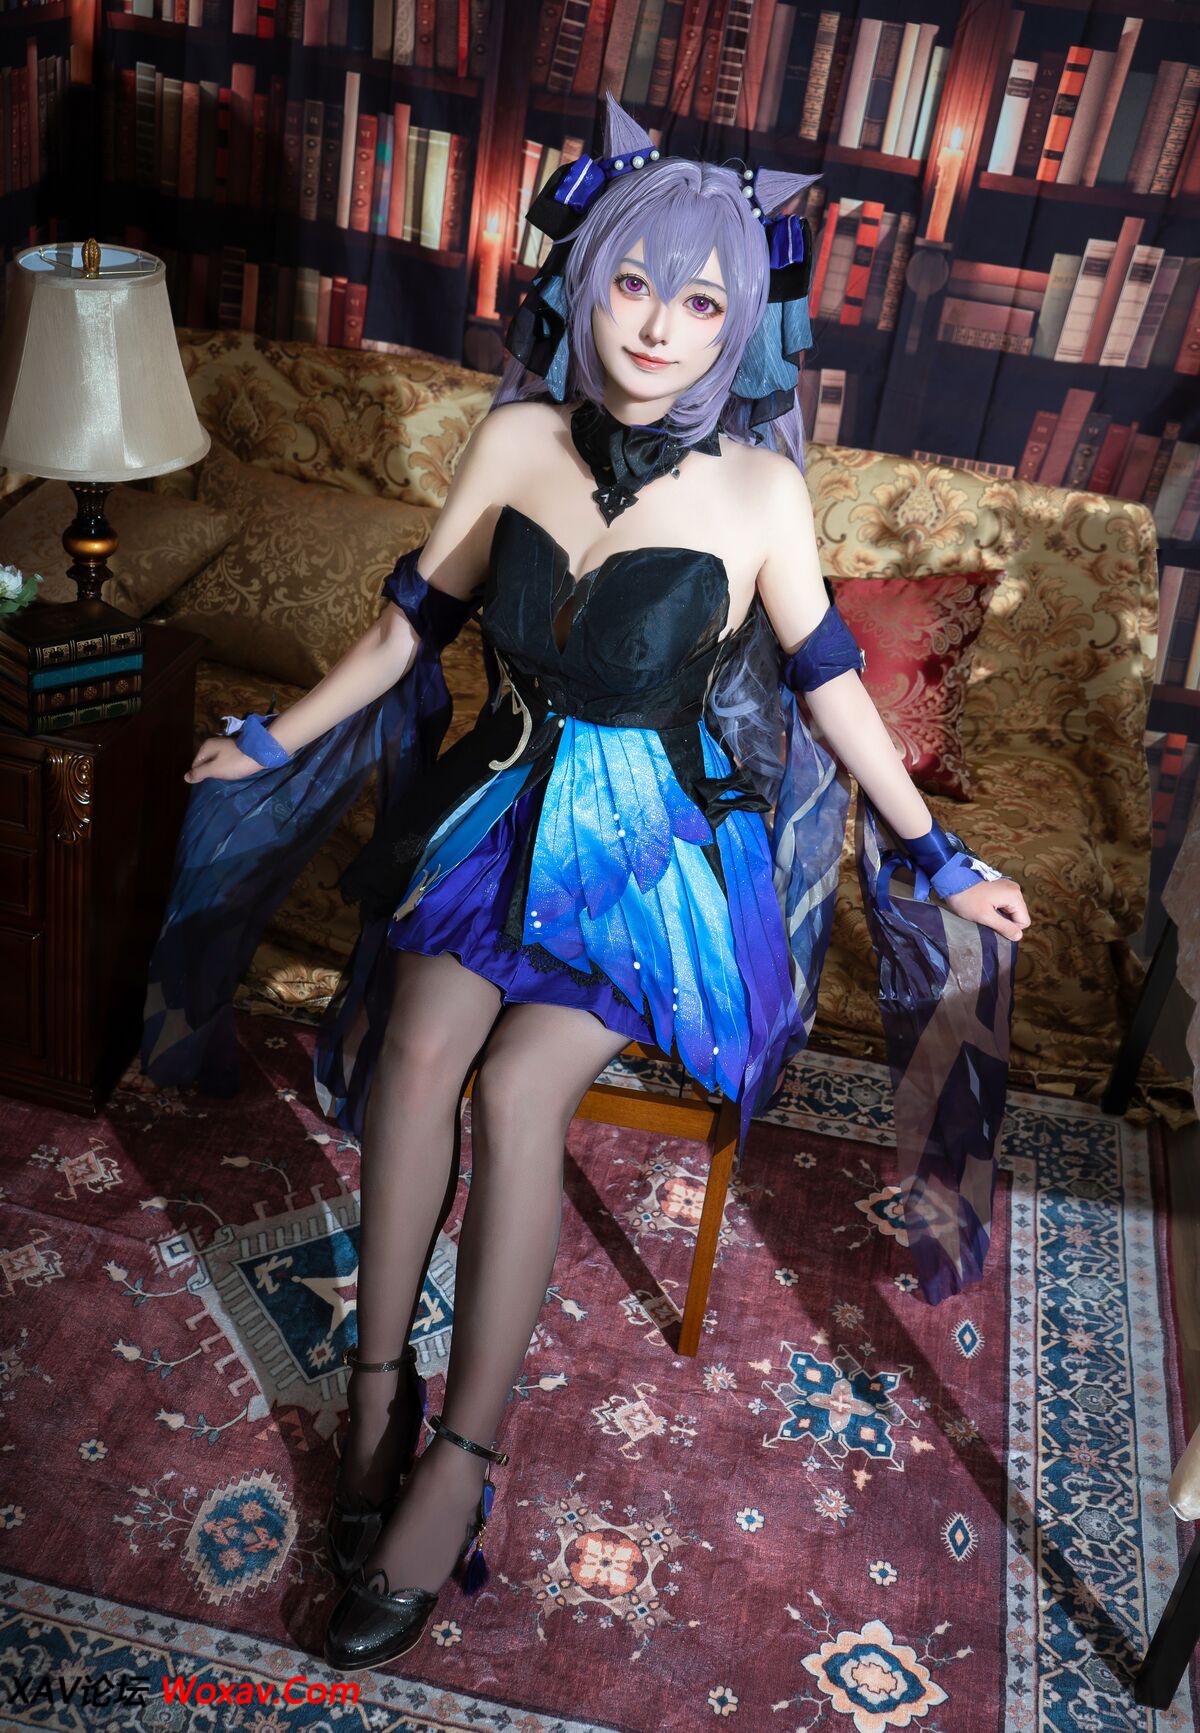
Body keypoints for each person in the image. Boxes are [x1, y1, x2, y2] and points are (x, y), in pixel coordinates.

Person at [140, 92, 1030, 1673]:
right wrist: (268, 739)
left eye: (703, 303)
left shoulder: (758, 495)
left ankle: (460, 1461)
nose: (660, 328)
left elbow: (832, 689)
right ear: (584, 277)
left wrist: (939, 853)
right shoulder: (516, 441)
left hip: (658, 860)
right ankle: (374, 1399)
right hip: (497, 816)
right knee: (418, 1051)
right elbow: (406, 628)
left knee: (515, 1090)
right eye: (634, 284)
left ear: (741, 325)